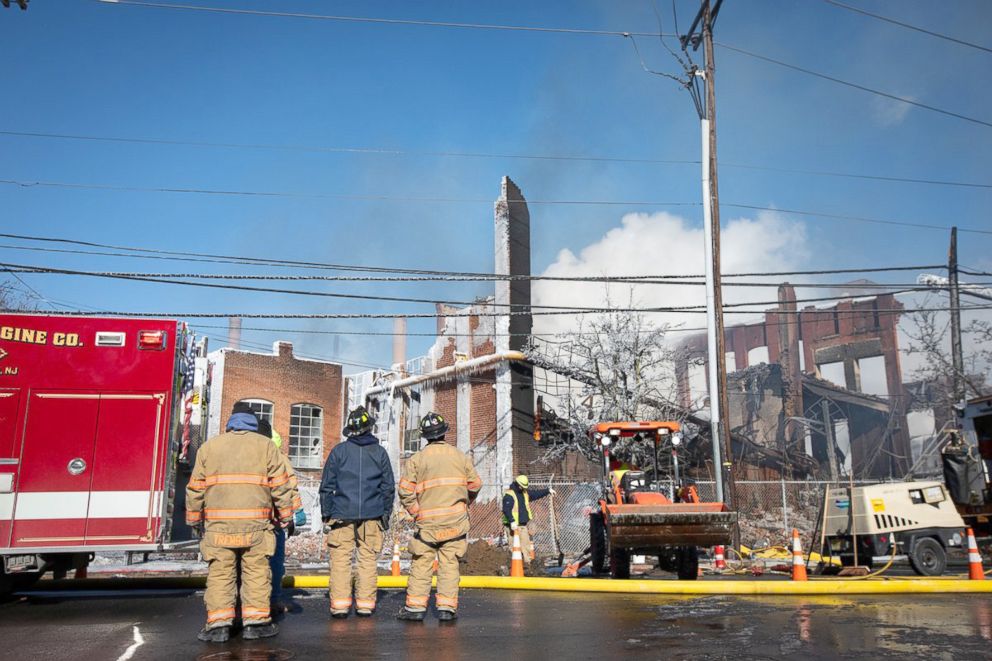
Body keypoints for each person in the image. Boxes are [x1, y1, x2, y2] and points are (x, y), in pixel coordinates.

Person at [186, 402, 298, 643]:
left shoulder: (209, 448)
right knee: (256, 572)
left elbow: (195, 489)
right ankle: (255, 625)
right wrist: (286, 517)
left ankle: (218, 626)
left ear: (231, 422)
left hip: (219, 528)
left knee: (220, 574)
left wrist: (194, 520)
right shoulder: (266, 446)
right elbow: (280, 486)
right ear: (253, 423)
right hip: (256, 528)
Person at [397, 412, 481, 623]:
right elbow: (475, 485)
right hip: (455, 522)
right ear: (445, 432)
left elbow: (405, 491)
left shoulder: (417, 460)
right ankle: (446, 608)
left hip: (426, 525)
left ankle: (415, 609)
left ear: (425, 436)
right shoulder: (460, 457)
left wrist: (416, 511)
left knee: (421, 563)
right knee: (450, 564)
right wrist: (464, 503)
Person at [319, 406, 395, 618]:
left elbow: (326, 486)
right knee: (367, 560)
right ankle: (365, 605)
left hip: (341, 515)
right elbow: (388, 487)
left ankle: (341, 606)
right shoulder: (380, 453)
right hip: (372, 516)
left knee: (341, 560)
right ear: (369, 428)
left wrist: (327, 514)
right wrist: (385, 514)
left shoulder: (339, 452)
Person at [256, 418, 306, 614]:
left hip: (249, 520)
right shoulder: (279, 457)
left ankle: (249, 603)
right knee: (275, 561)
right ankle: (273, 599)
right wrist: (294, 514)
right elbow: (289, 487)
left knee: (251, 564)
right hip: (274, 519)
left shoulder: (243, 454)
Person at [502, 475, 553, 562]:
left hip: (522, 525)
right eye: (522, 487)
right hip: (512, 526)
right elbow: (506, 510)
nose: (524, 489)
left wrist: (547, 491)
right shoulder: (509, 495)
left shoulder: (524, 493)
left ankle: (526, 565)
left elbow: (535, 494)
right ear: (518, 485)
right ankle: (514, 567)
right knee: (514, 548)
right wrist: (512, 521)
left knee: (525, 546)